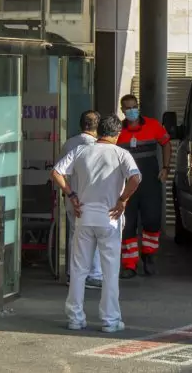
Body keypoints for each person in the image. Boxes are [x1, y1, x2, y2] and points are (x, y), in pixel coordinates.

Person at [51, 115, 142, 333]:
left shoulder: (81, 151)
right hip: (110, 219)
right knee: (110, 271)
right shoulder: (121, 154)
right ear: (117, 133)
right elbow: (135, 178)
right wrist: (122, 200)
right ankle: (110, 320)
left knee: (79, 269)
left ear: (99, 131)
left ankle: (75, 317)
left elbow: (56, 172)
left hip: (84, 217)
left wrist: (71, 195)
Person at [116, 94, 172, 279]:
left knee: (152, 220)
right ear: (123, 110)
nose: (131, 111)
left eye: (134, 107)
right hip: (127, 183)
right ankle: (129, 264)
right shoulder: (118, 131)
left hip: (150, 181)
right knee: (128, 224)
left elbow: (166, 144)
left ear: (138, 107)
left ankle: (149, 257)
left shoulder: (153, 125)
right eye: (127, 108)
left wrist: (165, 167)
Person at [59, 110, 103, 290]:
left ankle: (74, 273)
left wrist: (68, 194)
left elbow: (59, 172)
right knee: (95, 237)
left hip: (73, 197)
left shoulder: (69, 144)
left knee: (75, 236)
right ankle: (93, 274)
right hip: (93, 200)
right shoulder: (99, 147)